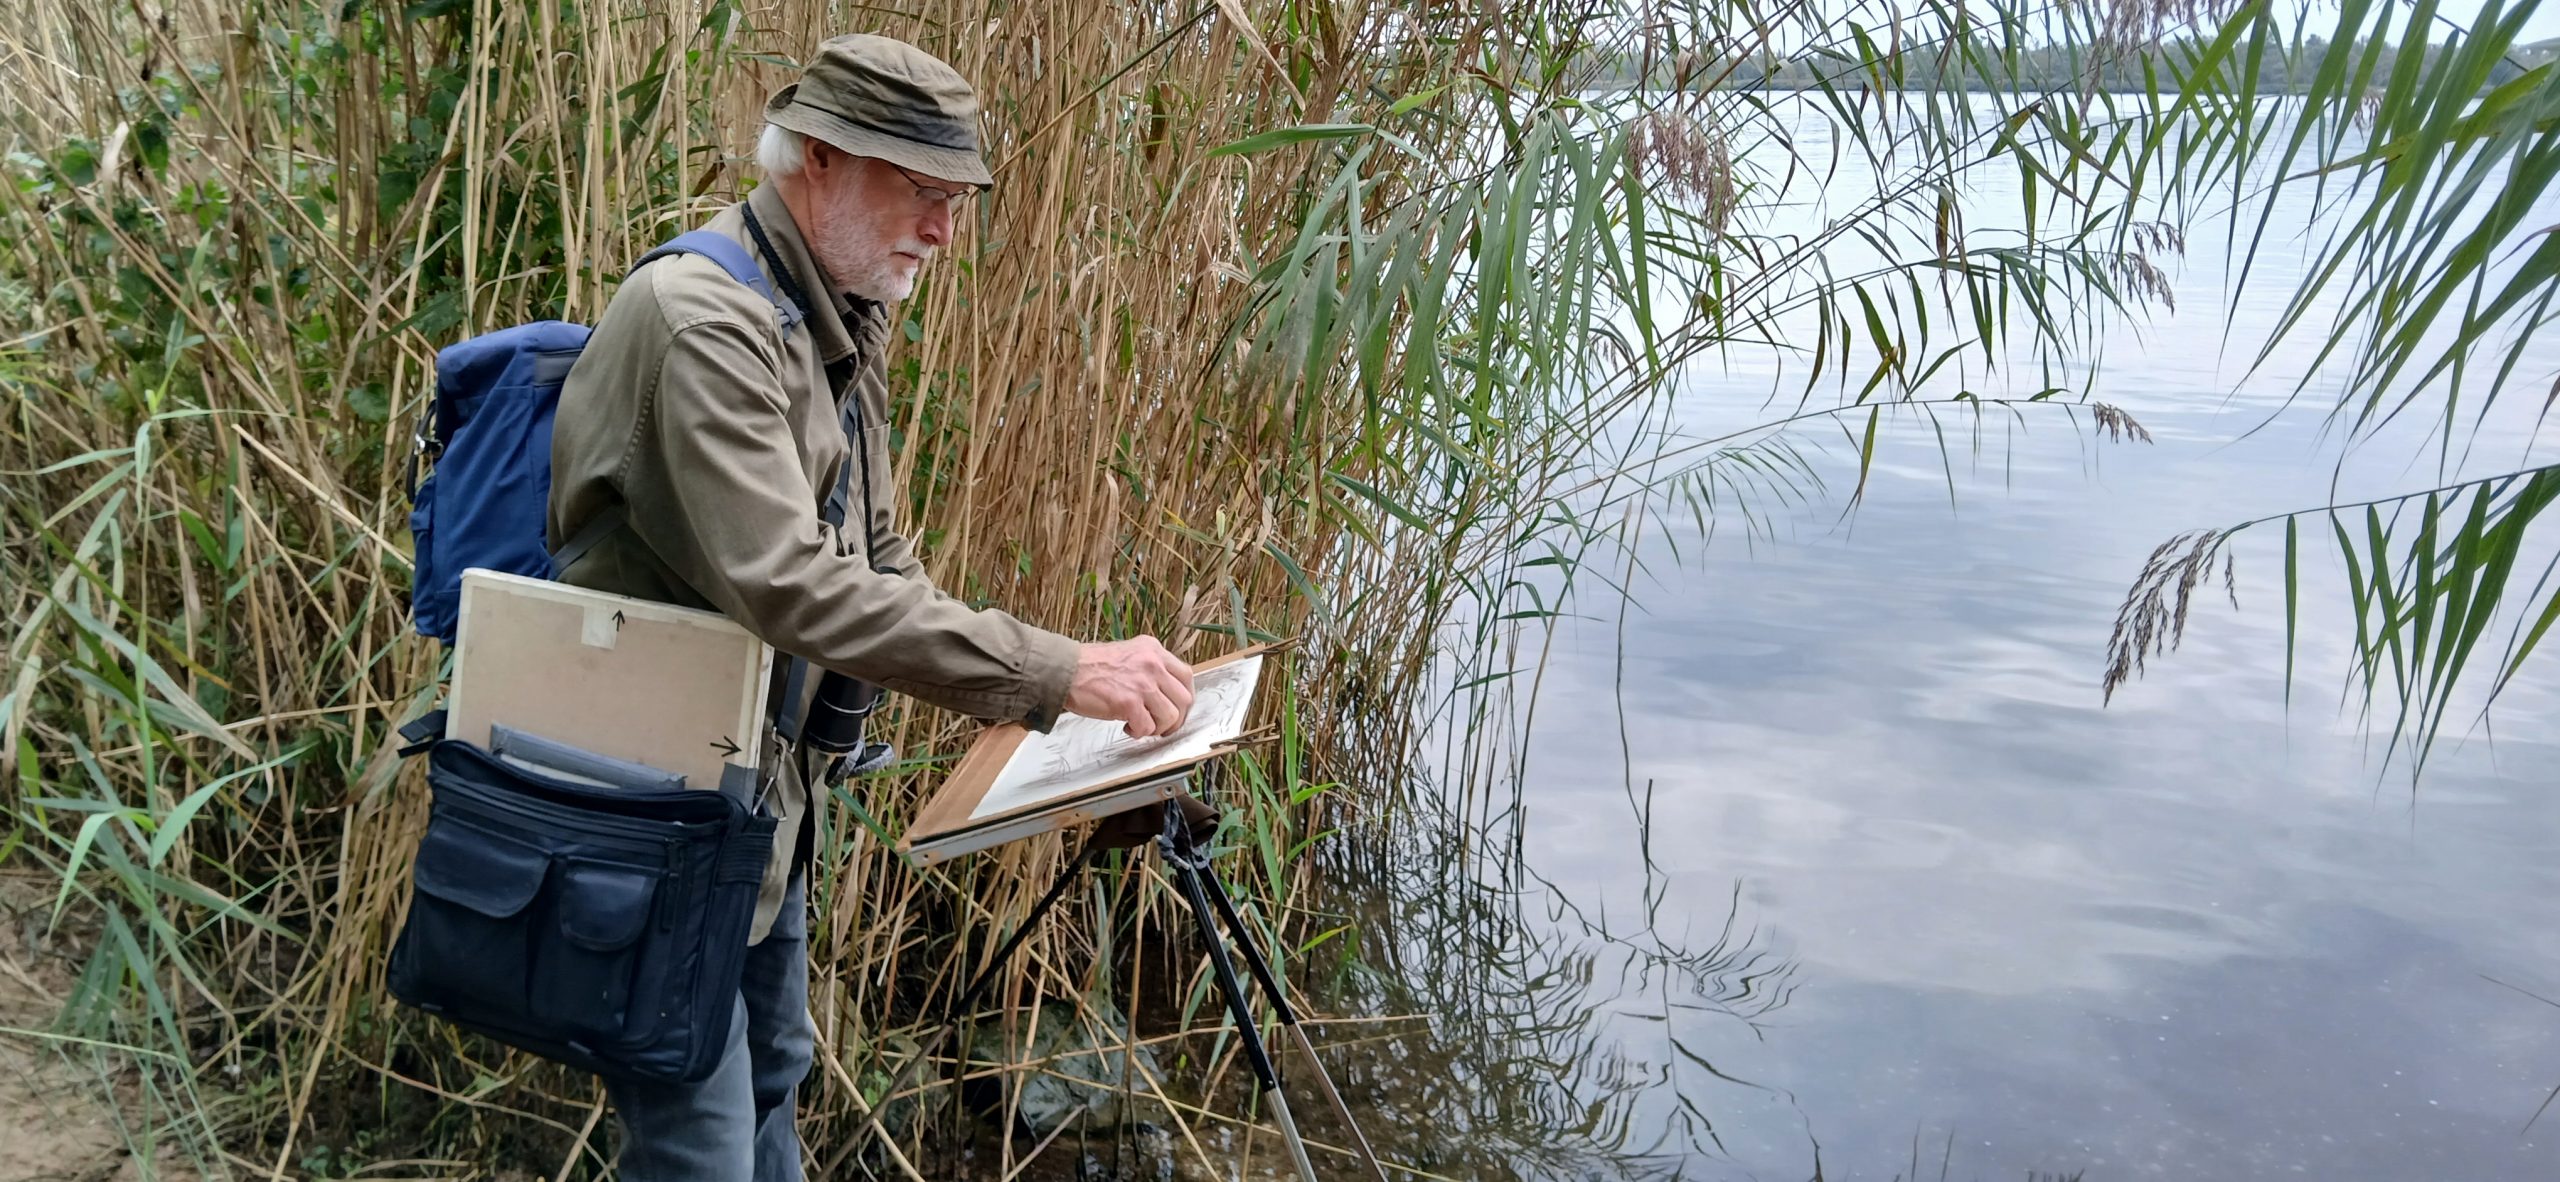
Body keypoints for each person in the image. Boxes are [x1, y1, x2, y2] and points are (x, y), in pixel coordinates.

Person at [545, 32, 1195, 1181]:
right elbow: (797, 586)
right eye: (923, 194)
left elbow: (881, 565)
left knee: (774, 1079)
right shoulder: (706, 324)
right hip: (656, 818)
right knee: (697, 1148)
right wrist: (1053, 669)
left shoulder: (836, 310)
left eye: (955, 200)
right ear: (822, 161)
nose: (945, 233)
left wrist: (1046, 709)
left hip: (759, 809)